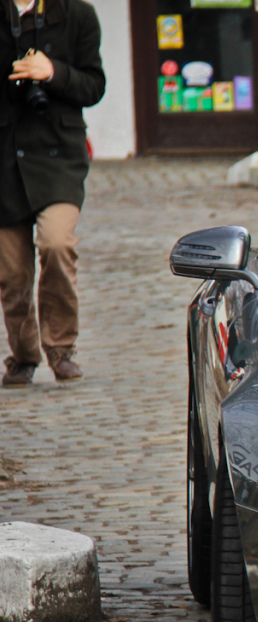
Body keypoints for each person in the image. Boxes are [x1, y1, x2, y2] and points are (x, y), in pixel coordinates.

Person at [1, 0, 105, 387]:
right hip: (5, 159)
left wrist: (52, 72)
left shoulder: (76, 14)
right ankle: (24, 355)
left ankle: (61, 349)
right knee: (12, 272)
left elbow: (94, 86)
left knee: (57, 243)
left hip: (58, 156)